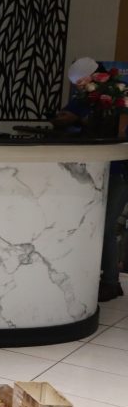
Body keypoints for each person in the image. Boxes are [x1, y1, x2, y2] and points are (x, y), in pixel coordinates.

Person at [53, 57, 128, 302]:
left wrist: (80, 120)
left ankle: (111, 282)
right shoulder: (84, 98)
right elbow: (67, 114)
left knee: (105, 226)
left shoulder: (119, 96)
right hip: (92, 170)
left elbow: (118, 132)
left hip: (119, 171)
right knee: (91, 224)